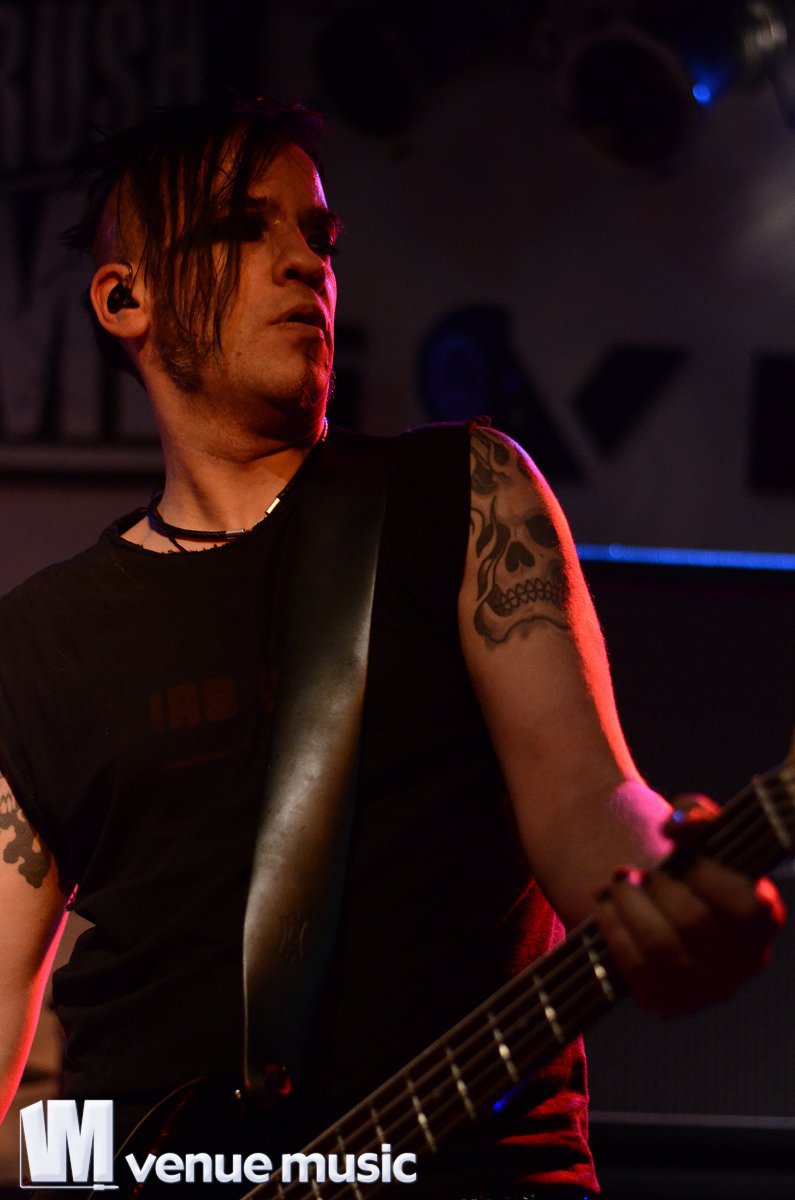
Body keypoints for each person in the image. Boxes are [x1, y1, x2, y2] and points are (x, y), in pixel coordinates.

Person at [0, 100, 783, 1199]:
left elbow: (587, 801)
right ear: (124, 297)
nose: (303, 263)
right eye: (242, 227)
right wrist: (107, 1174)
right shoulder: (41, 642)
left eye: (317, 236)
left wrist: (663, 884)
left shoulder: (457, 494)